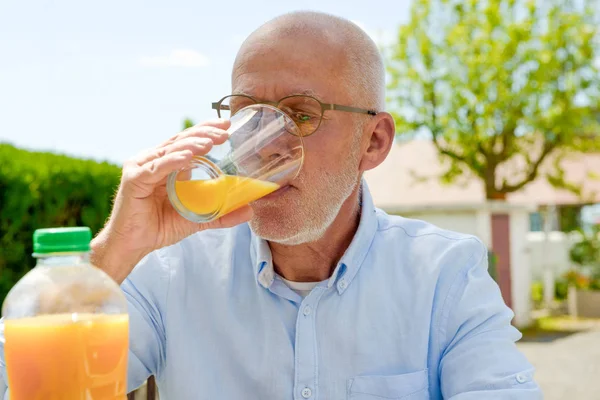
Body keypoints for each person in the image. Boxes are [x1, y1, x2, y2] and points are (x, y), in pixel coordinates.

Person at [0, 11, 542, 400]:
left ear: (373, 142)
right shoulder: (168, 271)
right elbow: (29, 391)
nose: (268, 143)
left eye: (301, 114)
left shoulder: (443, 274)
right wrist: (119, 248)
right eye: (247, 113)